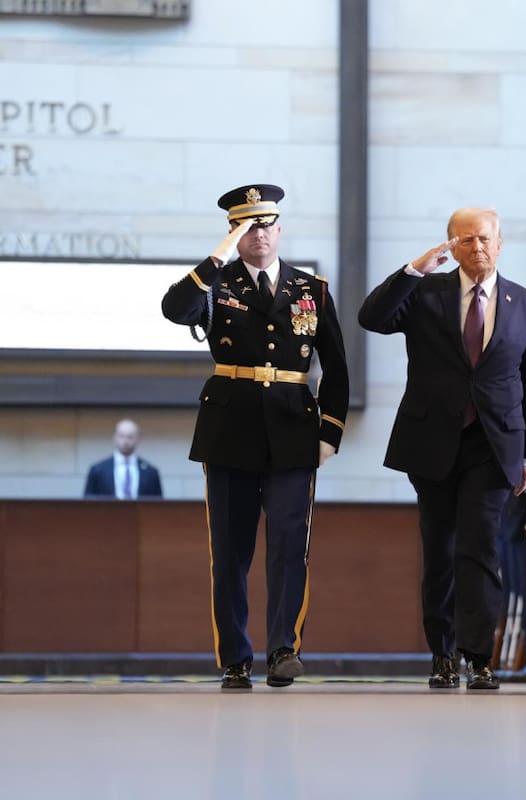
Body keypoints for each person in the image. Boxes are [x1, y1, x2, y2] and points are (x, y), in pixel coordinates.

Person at [161, 183, 350, 691]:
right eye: (246, 227)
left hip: (293, 433)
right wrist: (214, 259)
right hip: (230, 430)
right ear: (233, 234)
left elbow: (336, 366)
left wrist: (329, 433)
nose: (258, 235)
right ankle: (235, 655)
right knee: (231, 551)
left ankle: (284, 649)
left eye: (265, 225)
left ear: (280, 229)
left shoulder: (312, 289)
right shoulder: (216, 285)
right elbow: (174, 309)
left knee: (291, 546)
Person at [358, 207, 526, 691]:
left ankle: (478, 655)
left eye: (483, 239)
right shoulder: (424, 294)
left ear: (499, 244)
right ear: (450, 247)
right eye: (464, 241)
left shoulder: (524, 302)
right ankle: (442, 653)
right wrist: (413, 270)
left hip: (492, 442)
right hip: (434, 440)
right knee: (439, 549)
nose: (475, 248)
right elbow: (371, 318)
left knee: (479, 546)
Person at [83, 418, 163, 499]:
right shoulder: (98, 470)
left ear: (138, 439)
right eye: (121, 436)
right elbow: (88, 503)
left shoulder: (151, 472)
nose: (125, 441)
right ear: (114, 438)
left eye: (130, 437)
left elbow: (158, 505)